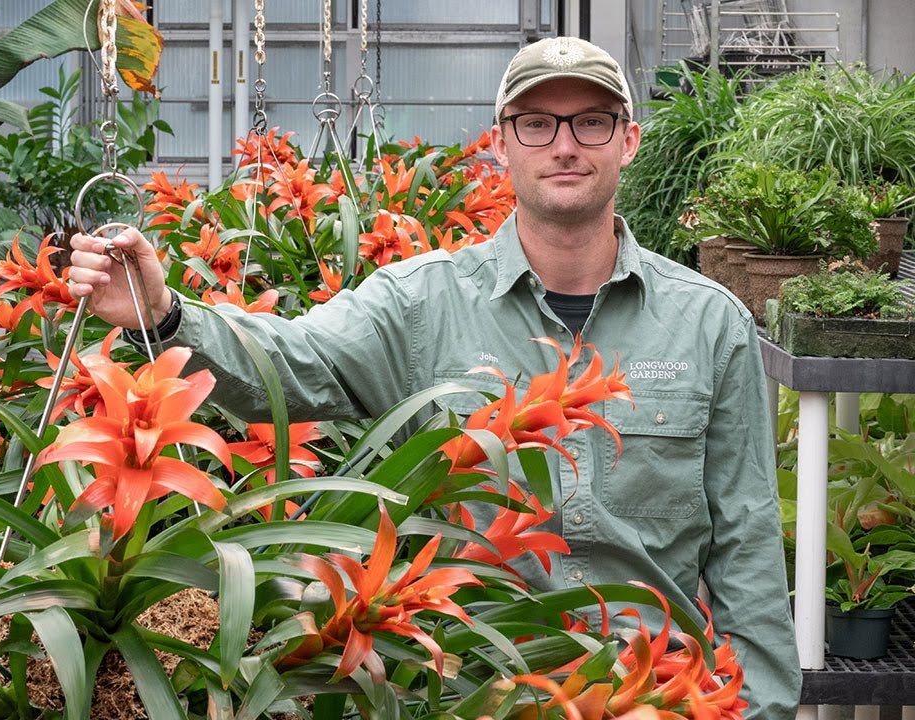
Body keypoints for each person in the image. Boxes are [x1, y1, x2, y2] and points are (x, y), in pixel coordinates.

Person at [69, 36, 799, 718]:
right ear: (504, 143)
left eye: (594, 123)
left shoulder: (710, 323)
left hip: (654, 689)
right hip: (472, 689)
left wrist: (759, 706)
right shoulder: (420, 302)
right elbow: (285, 369)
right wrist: (159, 311)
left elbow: (747, 543)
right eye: (538, 123)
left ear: (628, 142)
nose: (567, 145)